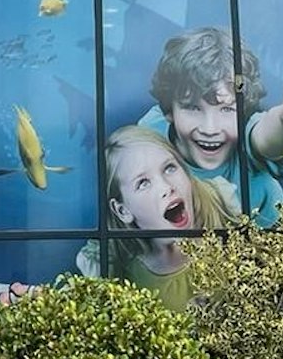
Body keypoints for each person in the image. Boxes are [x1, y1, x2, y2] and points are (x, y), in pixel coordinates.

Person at [138, 27, 283, 226]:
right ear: (169, 112)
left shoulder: (250, 147)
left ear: (244, 111)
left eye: (227, 109)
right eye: (193, 108)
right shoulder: (149, 135)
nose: (210, 128)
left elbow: (263, 137)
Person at [96, 125, 236, 310]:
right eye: (143, 183)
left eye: (169, 168)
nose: (166, 187)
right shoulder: (125, 280)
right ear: (123, 211)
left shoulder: (224, 209)